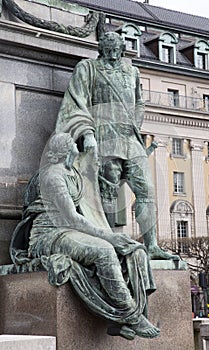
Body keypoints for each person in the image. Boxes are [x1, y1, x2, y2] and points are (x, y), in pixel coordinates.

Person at [13, 132, 159, 340]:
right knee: (105, 251)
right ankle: (131, 316)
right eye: (72, 142)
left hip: (70, 232)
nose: (76, 144)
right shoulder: (53, 176)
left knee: (133, 251)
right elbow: (72, 218)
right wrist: (109, 238)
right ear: (65, 150)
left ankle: (117, 320)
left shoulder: (72, 172)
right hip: (48, 236)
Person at [56, 31, 178, 260]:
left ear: (122, 50)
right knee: (107, 191)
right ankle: (108, 243)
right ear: (101, 50)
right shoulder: (88, 68)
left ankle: (151, 245)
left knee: (147, 191)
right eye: (108, 52)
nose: (113, 57)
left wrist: (135, 123)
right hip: (103, 137)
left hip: (130, 139)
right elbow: (77, 102)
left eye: (116, 52)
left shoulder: (133, 72)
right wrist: (87, 134)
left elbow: (139, 102)